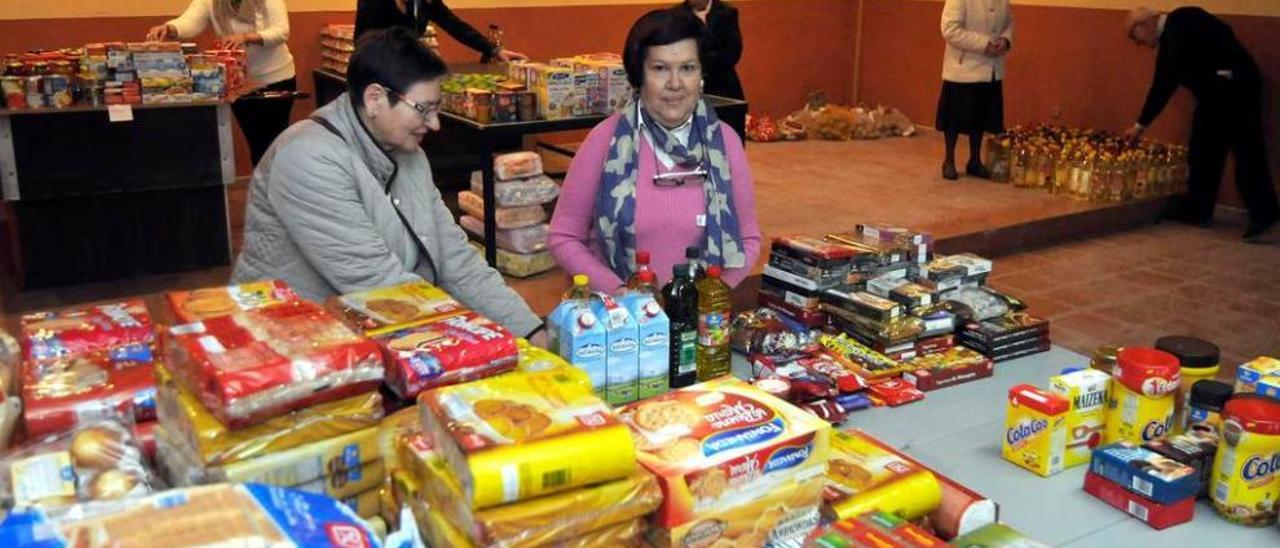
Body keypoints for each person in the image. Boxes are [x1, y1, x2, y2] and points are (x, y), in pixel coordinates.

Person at [231, 27, 545, 343]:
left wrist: (531, 331)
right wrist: (464, 342)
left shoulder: (409, 156)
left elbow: (456, 259)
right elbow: (376, 283)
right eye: (424, 109)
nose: (435, 124)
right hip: (291, 343)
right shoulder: (308, 158)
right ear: (376, 99)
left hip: (370, 329)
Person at [549, 8, 762, 293]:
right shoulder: (604, 141)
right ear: (639, 75)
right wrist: (622, 294)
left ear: (702, 74)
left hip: (700, 319)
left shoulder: (724, 143)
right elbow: (563, 238)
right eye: (660, 69)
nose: (675, 84)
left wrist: (710, 296)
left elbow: (748, 240)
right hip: (619, 316)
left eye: (687, 68)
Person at [1124, 7, 1278, 241]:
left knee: (1247, 152)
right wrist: (1140, 125)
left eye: (1136, 38)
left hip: (1236, 90)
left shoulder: (1185, 18)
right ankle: (1198, 209)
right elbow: (1162, 86)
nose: (1139, 45)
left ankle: (1265, 217)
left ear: (1144, 25)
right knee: (1202, 152)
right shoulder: (1169, 41)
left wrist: (1224, 71)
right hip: (1213, 97)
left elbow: (1223, 34)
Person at [148, 0, 297, 166]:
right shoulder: (210, 2)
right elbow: (190, 22)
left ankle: (282, 185)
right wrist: (169, 28)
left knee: (275, 140)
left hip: (276, 78)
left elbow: (282, 32)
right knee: (256, 142)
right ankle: (263, 186)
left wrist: (247, 37)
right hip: (239, 82)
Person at [936, 0, 1013, 181]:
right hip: (964, 67)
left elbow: (1009, 22)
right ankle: (949, 161)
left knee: (980, 116)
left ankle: (975, 161)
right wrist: (984, 44)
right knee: (953, 120)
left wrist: (1005, 40)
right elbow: (949, 29)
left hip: (990, 67)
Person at [354, 0, 527, 63]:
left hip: (407, 71)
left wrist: (494, 50)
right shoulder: (373, 2)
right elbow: (362, 41)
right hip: (377, 71)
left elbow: (456, 26)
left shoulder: (425, 3)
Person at [678, 0, 744, 102]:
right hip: (690, 86)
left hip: (724, 85)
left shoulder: (727, 12)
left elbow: (733, 50)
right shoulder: (676, 15)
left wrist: (705, 60)